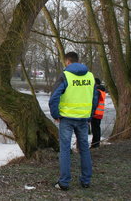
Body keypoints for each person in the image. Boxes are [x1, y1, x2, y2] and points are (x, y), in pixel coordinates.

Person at [49, 52, 98, 191]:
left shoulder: (65, 75)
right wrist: (90, 115)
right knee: (84, 149)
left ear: (68, 62)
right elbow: (95, 98)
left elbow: (54, 97)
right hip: (83, 118)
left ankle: (64, 182)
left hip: (66, 118)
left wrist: (55, 114)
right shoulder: (90, 76)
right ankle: (86, 180)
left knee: (65, 149)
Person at [90, 78, 106, 149]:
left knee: (94, 129)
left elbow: (95, 103)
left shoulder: (97, 91)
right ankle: (96, 143)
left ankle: (95, 144)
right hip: (100, 113)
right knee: (97, 128)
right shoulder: (102, 91)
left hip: (96, 113)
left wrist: (91, 113)